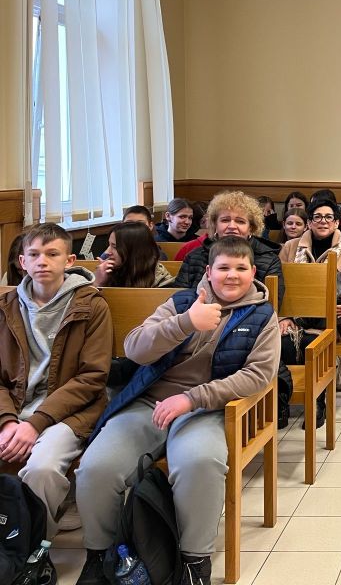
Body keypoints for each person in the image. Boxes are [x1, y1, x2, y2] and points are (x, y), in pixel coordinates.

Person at [75, 236, 280, 585]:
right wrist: (186, 322)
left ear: (253, 272)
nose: (232, 275)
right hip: (149, 403)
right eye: (223, 268)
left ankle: (193, 561)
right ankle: (101, 557)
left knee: (201, 463)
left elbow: (258, 375)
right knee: (97, 468)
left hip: (207, 410)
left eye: (240, 268)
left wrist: (192, 399)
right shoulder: (182, 302)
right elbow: (135, 348)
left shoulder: (262, 315)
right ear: (209, 272)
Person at [0, 224, 112, 539]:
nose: (42, 262)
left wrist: (34, 424)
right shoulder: (5, 308)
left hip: (69, 413)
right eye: (34, 254)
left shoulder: (91, 306)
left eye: (52, 254)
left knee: (42, 469)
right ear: (22, 261)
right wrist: (7, 421)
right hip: (13, 408)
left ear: (69, 260)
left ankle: (32, 550)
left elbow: (92, 378)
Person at [279, 199, 341, 428]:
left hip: (330, 319)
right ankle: (282, 401)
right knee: (281, 343)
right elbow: (278, 288)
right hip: (295, 316)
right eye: (317, 217)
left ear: (336, 222)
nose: (323, 222)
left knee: (314, 343)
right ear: (309, 222)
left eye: (328, 217)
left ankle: (317, 402)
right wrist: (283, 317)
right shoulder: (291, 248)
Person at [174, 190, 285, 305]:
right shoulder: (194, 256)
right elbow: (179, 301)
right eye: (225, 220)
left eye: (240, 221)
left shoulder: (269, 259)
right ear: (215, 225)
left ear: (251, 228)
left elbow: (271, 304)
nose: (232, 226)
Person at [93, 222, 175, 288]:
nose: (108, 252)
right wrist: (98, 282)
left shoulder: (162, 282)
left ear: (134, 251)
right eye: (109, 245)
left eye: (115, 247)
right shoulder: (109, 272)